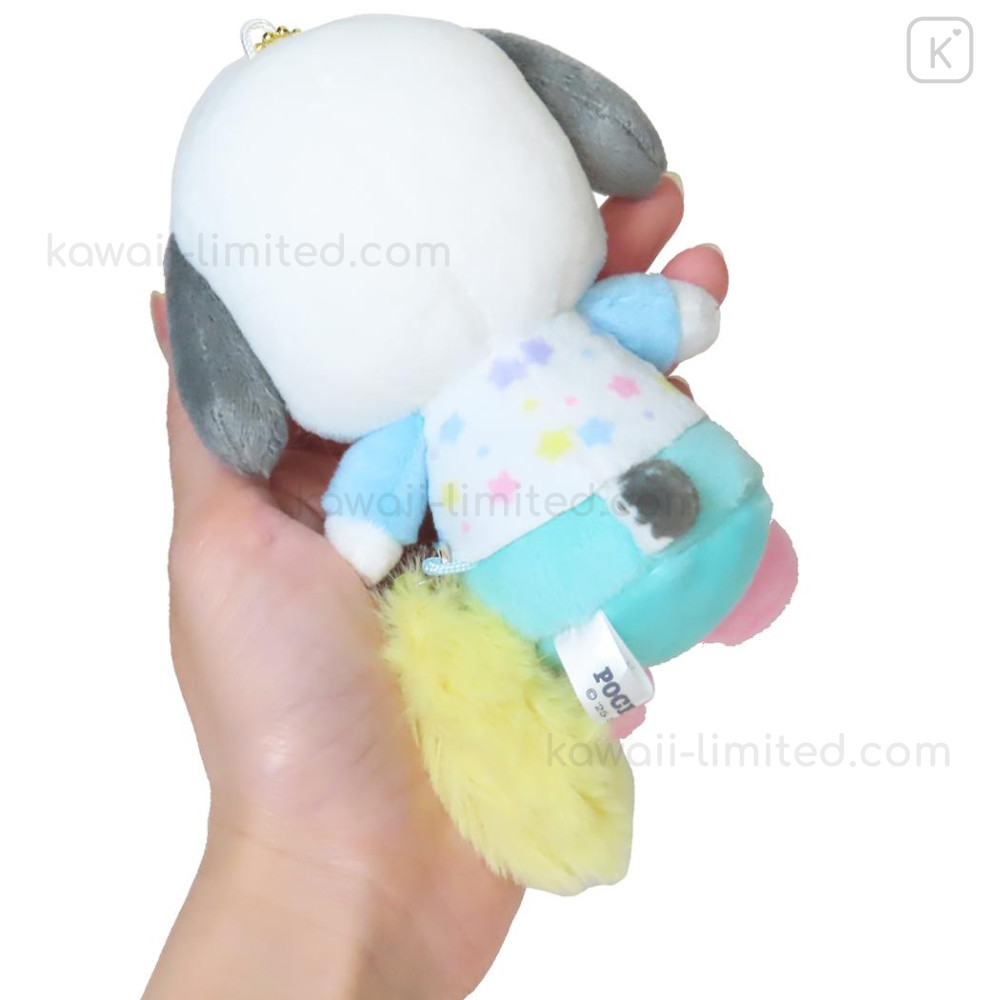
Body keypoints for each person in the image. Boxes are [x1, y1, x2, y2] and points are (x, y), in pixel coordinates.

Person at [143, 175, 728, 999]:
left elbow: (654, 317)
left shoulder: (555, 318)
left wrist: (305, 867)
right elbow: (376, 503)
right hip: (517, 547)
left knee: (705, 532)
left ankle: (739, 577)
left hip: (567, 494)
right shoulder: (405, 415)